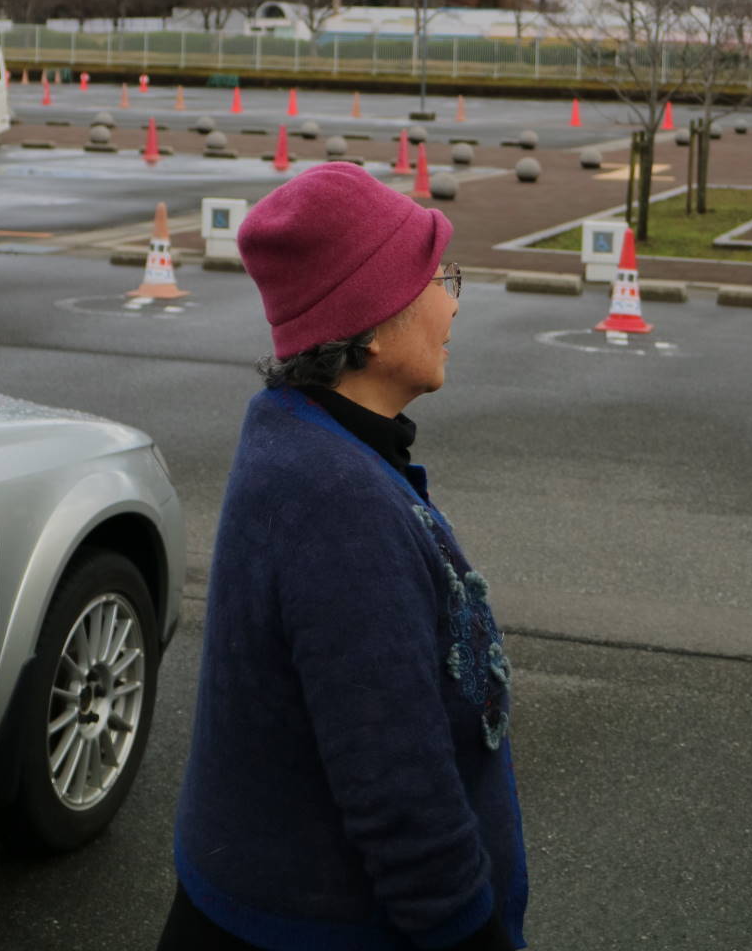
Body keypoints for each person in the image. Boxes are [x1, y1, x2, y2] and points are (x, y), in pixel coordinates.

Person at [159, 161, 527, 951]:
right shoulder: (335, 503)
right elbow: (400, 794)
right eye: (436, 278)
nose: (453, 301)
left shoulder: (301, 440)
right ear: (371, 325)